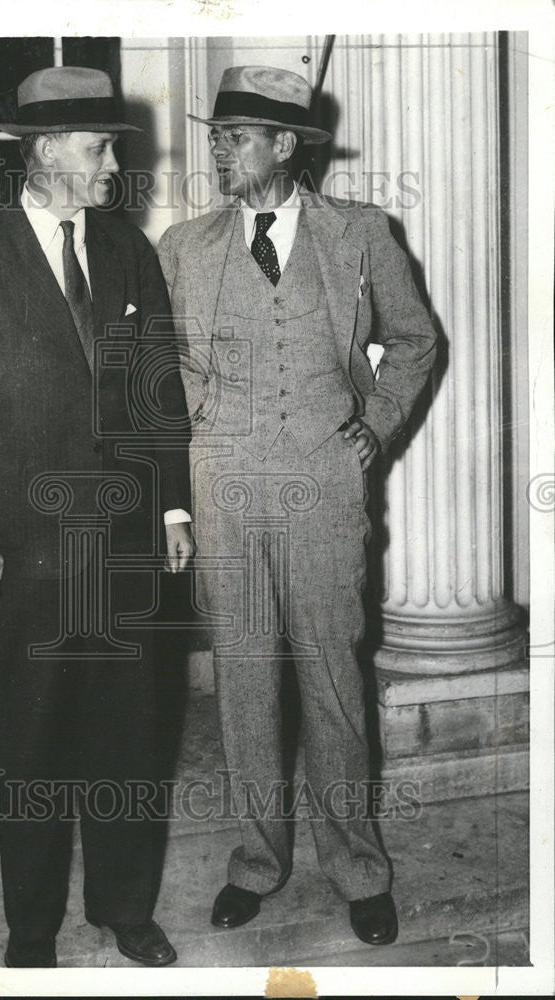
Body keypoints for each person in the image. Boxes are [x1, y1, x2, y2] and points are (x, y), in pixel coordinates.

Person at [0, 66, 194, 968]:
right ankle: (30, 928)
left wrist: (175, 507)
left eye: (111, 143)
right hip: (25, 550)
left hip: (123, 546)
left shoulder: (127, 252)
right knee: (32, 741)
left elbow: (157, 399)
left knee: (130, 731)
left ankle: (125, 907)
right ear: (44, 152)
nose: (114, 161)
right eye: (98, 145)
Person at [158, 65, 437, 947]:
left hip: (324, 483)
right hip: (222, 483)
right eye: (215, 135)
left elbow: (416, 340)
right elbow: (151, 368)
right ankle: (256, 863)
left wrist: (375, 424)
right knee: (243, 680)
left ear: (286, 146)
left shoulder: (359, 233)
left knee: (329, 677)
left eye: (234, 136)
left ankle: (358, 869)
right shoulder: (182, 246)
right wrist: (190, 446)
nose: (218, 149)